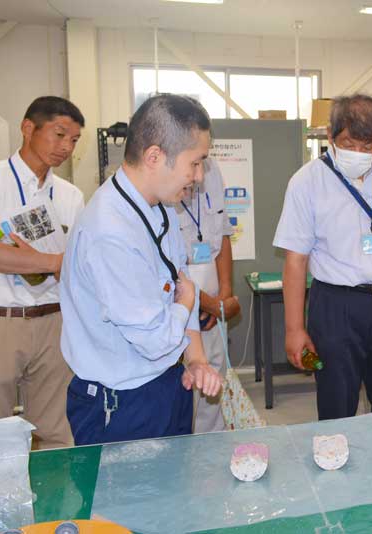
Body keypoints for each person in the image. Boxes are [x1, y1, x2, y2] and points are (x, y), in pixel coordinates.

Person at [60, 94, 222, 445]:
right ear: (154, 157)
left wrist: (195, 359)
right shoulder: (109, 231)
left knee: (174, 493)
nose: (198, 175)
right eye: (195, 163)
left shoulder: (159, 208)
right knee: (126, 500)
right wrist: (184, 302)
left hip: (167, 382)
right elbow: (157, 338)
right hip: (120, 405)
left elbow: (180, 285)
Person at [273, 93, 372, 420]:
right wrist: (294, 329)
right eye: (349, 143)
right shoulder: (306, 182)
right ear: (330, 136)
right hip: (335, 309)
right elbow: (295, 261)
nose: (358, 153)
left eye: (368, 146)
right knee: (336, 402)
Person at [0, 96, 85, 449]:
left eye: (74, 141)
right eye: (59, 134)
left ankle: (56, 505)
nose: (66, 147)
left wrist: (60, 264)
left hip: (53, 321)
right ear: (28, 128)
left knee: (57, 431)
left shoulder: (71, 196)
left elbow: (78, 267)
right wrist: (53, 262)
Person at [176, 157, 240, 433]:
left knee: (214, 379)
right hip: (180, 297)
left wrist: (224, 296)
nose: (199, 172)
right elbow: (165, 269)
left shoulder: (211, 171)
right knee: (185, 383)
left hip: (213, 297)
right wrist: (212, 304)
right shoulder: (162, 181)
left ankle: (213, 452)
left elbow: (223, 235)